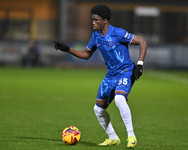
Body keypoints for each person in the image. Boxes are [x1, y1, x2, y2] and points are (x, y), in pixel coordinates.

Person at [54, 4, 147, 148]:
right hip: (110, 75)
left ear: (105, 21)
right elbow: (86, 54)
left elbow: (142, 42)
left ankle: (131, 136)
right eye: (92, 20)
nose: (93, 22)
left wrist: (140, 64)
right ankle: (113, 138)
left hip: (125, 71)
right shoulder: (96, 36)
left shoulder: (118, 33)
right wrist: (67, 49)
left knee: (119, 99)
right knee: (98, 109)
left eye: (96, 20)